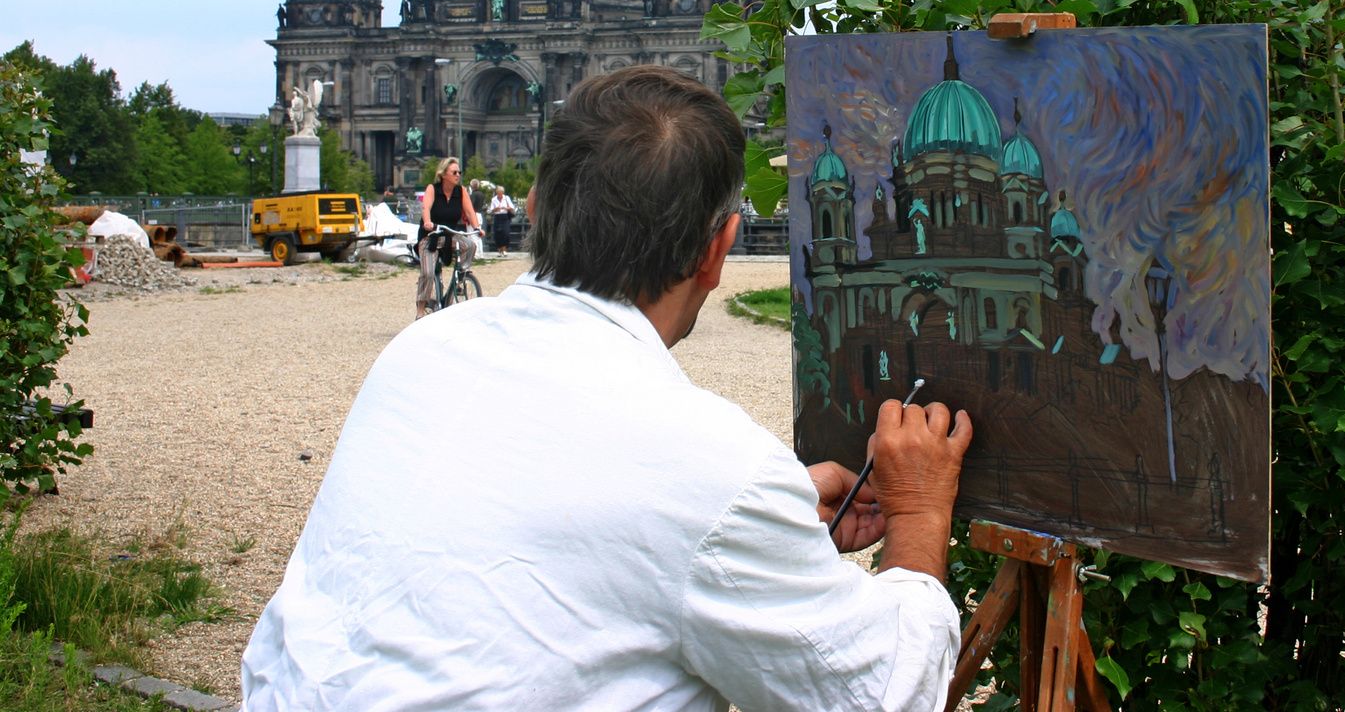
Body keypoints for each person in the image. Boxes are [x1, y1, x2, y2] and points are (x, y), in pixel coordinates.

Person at [240, 66, 973, 712]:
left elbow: (577, 531)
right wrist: (916, 511)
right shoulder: (708, 469)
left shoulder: (423, 349)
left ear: (532, 212)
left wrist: (770, 525)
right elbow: (885, 696)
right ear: (717, 251)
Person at [414, 156, 480, 318]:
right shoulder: (433, 189)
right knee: (428, 273)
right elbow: (426, 208)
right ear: (443, 175)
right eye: (454, 172)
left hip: (450, 235)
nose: (458, 175)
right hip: (431, 236)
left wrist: (477, 227)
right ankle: (420, 310)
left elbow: (470, 211)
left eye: (459, 172)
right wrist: (428, 222)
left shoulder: (461, 191)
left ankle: (461, 275)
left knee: (470, 245)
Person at [486, 184, 516, 256]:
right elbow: (491, 210)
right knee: (497, 233)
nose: (499, 195)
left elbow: (512, 207)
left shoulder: (506, 198)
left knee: (505, 232)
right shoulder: (494, 199)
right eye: (498, 193)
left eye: (501, 193)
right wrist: (497, 209)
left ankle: (504, 249)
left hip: (505, 216)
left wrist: (505, 208)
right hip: (497, 216)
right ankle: (499, 249)